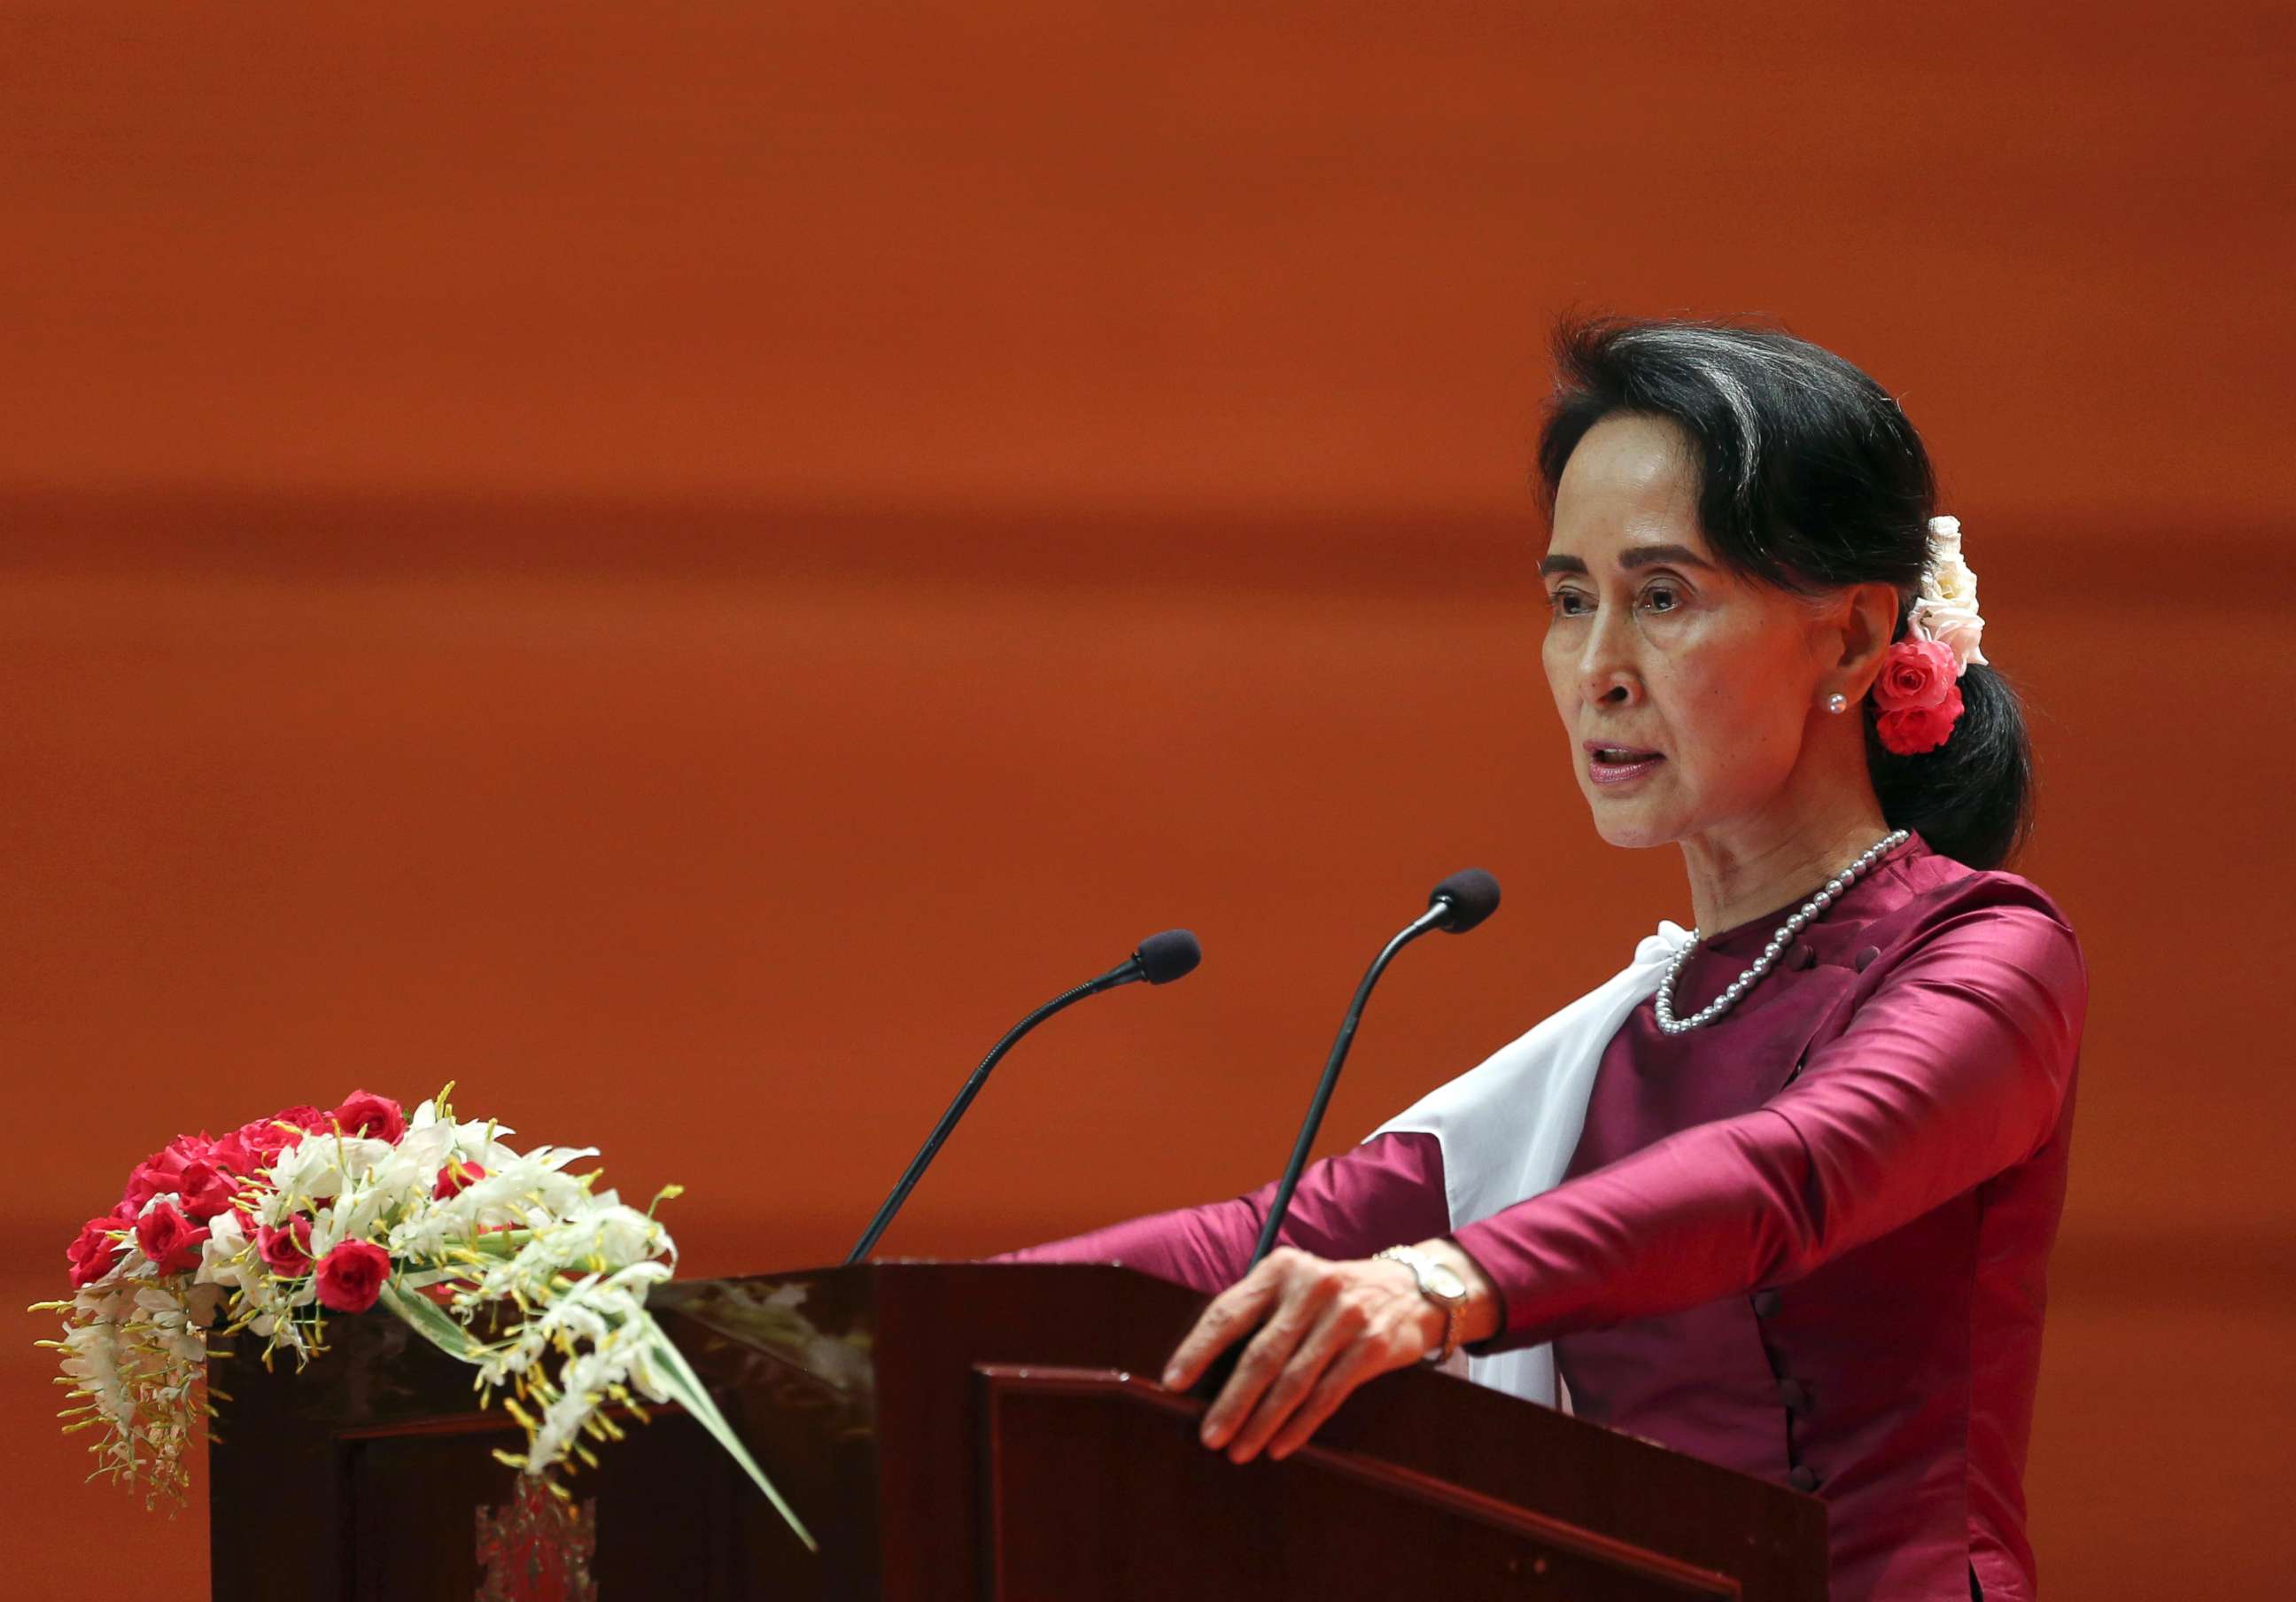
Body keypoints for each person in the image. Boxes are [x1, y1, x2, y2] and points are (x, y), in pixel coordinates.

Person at [996, 315, 2087, 1602]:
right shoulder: (1630, 1037)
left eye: (1663, 597)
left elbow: (1787, 1175)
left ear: (1851, 639)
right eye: (1572, 601)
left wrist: (1440, 1279)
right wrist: (806, 1329)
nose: (1598, 670)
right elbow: (1260, 1238)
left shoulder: (1988, 956)